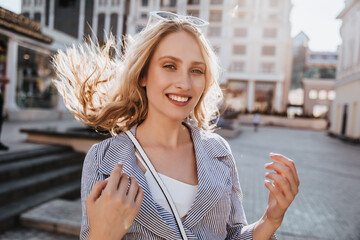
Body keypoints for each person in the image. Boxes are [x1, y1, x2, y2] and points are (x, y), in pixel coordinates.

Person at [53, 11, 299, 240]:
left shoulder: (219, 152)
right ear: (143, 74)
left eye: (196, 70)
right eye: (170, 66)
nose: (184, 83)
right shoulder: (102, 158)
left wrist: (270, 219)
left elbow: (232, 235)